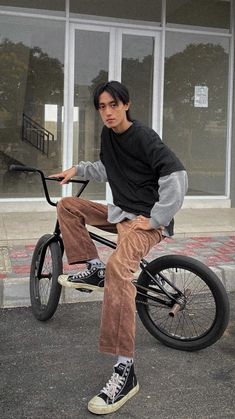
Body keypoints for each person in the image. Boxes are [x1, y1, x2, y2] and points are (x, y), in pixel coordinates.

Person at [51, 81, 188, 415]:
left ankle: (125, 370)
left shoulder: (143, 137)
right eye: (101, 107)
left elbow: (177, 176)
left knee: (119, 270)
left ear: (126, 104)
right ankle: (93, 268)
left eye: (113, 105)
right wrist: (77, 169)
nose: (108, 112)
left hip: (144, 222)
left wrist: (156, 219)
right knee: (68, 206)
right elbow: (108, 168)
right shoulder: (108, 136)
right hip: (121, 213)